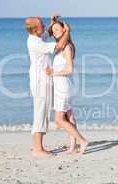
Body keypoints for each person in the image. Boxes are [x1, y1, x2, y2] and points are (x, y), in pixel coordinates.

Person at [25, 16, 69, 156]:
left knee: (42, 112)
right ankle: (38, 149)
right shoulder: (35, 43)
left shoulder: (37, 37)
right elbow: (59, 46)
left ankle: (38, 147)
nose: (45, 27)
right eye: (42, 25)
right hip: (40, 82)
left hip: (44, 79)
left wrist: (52, 21)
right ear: (34, 29)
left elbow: (48, 33)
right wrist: (67, 31)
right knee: (41, 114)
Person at [46, 17, 89, 154]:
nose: (55, 32)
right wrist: (52, 22)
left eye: (58, 29)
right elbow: (49, 32)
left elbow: (70, 69)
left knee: (59, 120)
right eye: (54, 31)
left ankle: (82, 141)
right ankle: (72, 147)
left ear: (65, 29)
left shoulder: (67, 48)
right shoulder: (60, 46)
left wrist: (53, 73)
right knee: (69, 116)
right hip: (63, 85)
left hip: (62, 86)